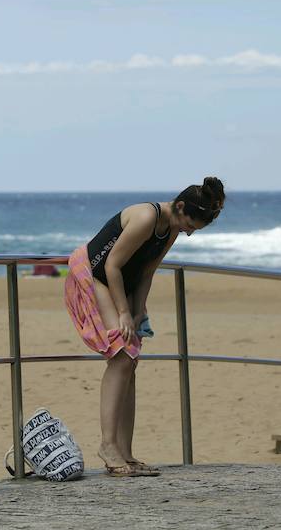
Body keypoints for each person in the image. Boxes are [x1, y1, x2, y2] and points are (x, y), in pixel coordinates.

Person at [64, 177, 225, 477]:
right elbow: (110, 265)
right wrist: (123, 312)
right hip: (93, 273)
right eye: (190, 224)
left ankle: (124, 451)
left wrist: (138, 311)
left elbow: (147, 272)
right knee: (121, 356)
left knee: (131, 361)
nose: (189, 232)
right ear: (179, 206)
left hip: (121, 283)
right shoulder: (146, 216)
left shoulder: (172, 229)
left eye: (194, 229)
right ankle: (108, 445)